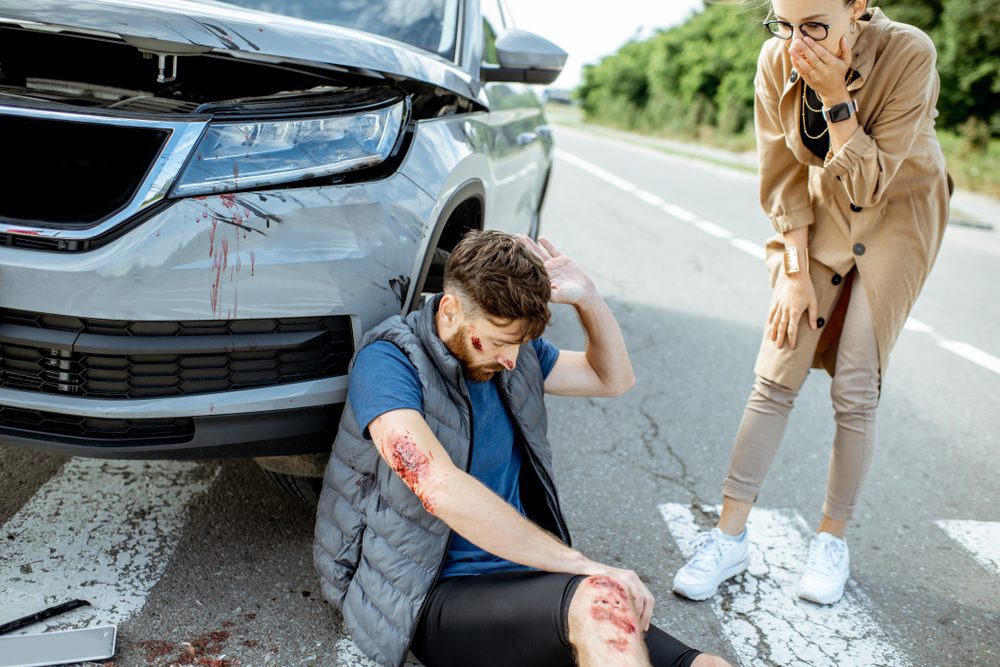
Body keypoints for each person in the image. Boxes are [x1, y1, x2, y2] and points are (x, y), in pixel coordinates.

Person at [315, 230, 730, 667]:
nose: (511, 359)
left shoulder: (513, 353)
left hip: (522, 577)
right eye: (496, 342)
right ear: (451, 310)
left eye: (519, 343)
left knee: (708, 665)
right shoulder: (389, 361)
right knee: (599, 601)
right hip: (429, 592)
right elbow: (437, 484)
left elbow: (613, 378)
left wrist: (588, 296)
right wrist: (582, 565)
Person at [672, 0, 951, 605]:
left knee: (855, 381)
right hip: (817, 217)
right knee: (777, 367)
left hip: (900, 214)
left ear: (859, 8)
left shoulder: (909, 53)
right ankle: (728, 537)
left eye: (816, 26)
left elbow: (872, 179)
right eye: (785, 25)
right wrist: (794, 271)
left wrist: (835, 97)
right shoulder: (776, 60)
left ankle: (831, 540)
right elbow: (781, 176)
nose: (799, 41)